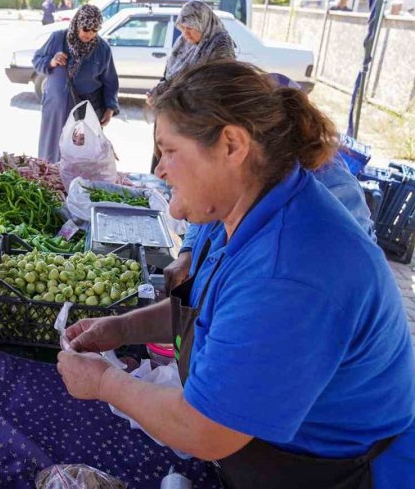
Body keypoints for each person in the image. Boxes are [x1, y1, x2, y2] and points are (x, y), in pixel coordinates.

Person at [58, 61, 415, 489]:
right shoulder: (239, 208)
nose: (159, 170)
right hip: (274, 446)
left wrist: (103, 381)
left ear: (231, 144)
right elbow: (202, 304)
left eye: (170, 151)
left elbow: (205, 430)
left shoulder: (288, 272)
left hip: (339, 470)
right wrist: (120, 328)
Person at [165, 72, 378, 291]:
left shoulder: (330, 190)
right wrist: (189, 252)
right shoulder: (242, 173)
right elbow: (210, 214)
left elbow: (341, 274)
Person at [147, 0, 236, 172]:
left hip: (195, 118)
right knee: (163, 162)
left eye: (189, 29)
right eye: (182, 29)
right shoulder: (184, 42)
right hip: (172, 110)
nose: (185, 34)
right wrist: (158, 91)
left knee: (182, 170)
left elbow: (214, 84)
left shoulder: (220, 45)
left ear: (202, 24)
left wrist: (171, 93)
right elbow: (169, 74)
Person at [33, 4, 119, 163]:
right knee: (51, 152)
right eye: (86, 29)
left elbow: (110, 81)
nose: (90, 34)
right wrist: (52, 61)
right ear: (77, 23)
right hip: (56, 108)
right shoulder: (58, 38)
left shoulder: (102, 49)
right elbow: (37, 60)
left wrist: (110, 107)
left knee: (79, 155)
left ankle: (74, 186)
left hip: (85, 111)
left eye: (95, 30)